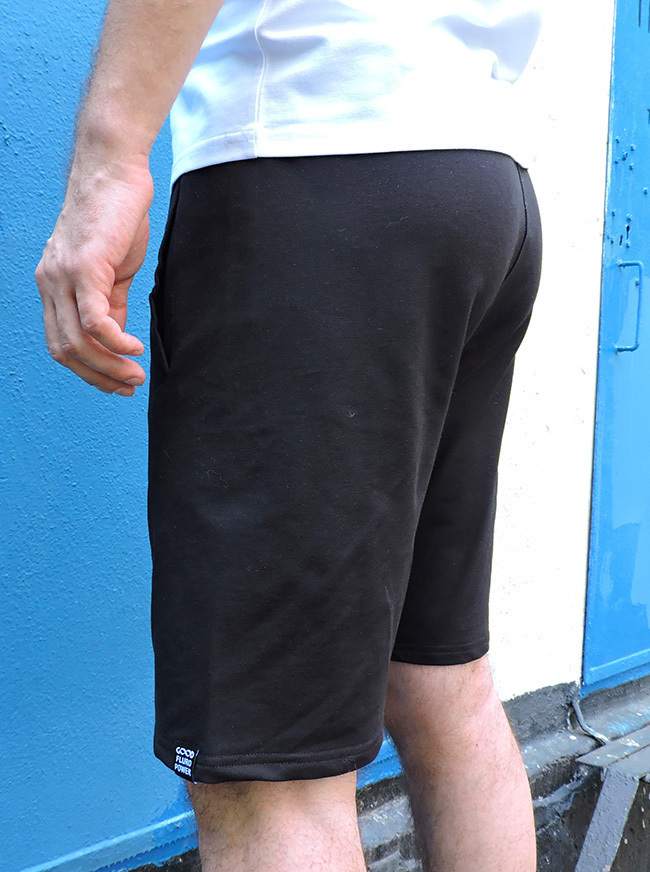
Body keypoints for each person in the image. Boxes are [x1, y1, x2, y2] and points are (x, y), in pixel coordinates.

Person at [35, 1, 543, 870]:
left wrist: (109, 160)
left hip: (310, 169)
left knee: (268, 781)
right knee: (442, 684)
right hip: (482, 180)